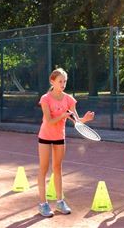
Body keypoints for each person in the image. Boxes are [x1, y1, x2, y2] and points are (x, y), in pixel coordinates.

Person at [37, 68, 94, 217]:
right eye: (60, 81)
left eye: (64, 81)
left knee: (57, 168)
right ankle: (43, 204)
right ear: (52, 82)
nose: (63, 84)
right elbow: (49, 121)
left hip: (59, 137)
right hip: (45, 136)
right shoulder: (45, 99)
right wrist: (63, 115)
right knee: (43, 168)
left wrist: (84, 119)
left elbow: (76, 120)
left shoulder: (69, 99)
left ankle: (60, 202)